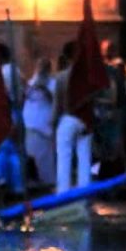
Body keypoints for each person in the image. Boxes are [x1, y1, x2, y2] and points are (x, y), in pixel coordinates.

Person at [51, 42, 92, 194]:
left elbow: (57, 103)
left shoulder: (61, 77)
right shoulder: (88, 77)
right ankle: (85, 192)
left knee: (64, 157)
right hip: (85, 119)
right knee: (84, 158)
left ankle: (63, 192)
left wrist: (53, 122)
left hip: (67, 118)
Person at [23, 57, 57, 186]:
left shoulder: (53, 83)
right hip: (31, 123)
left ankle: (48, 182)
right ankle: (33, 182)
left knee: (45, 156)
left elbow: (55, 99)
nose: (41, 69)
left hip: (44, 123)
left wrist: (44, 88)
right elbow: (25, 97)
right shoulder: (31, 82)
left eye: (44, 66)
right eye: (39, 66)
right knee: (31, 154)